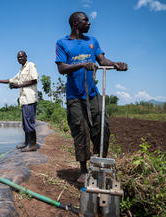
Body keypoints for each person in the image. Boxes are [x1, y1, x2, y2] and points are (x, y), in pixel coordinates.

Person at [55, 12, 128, 183]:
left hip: (93, 93)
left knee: (103, 125)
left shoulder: (92, 41)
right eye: (85, 20)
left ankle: (99, 163)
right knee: (80, 129)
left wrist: (116, 64)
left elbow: (102, 60)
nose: (89, 22)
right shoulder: (62, 43)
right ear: (75, 23)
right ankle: (82, 168)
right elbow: (61, 68)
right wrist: (81, 64)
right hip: (75, 95)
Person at [0, 51, 39, 152]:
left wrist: (18, 86)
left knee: (29, 122)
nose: (20, 59)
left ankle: (32, 145)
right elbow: (12, 79)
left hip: (30, 99)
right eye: (18, 58)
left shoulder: (31, 65)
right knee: (25, 123)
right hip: (24, 100)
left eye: (21, 57)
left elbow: (34, 80)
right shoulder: (21, 70)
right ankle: (27, 143)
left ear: (26, 57)